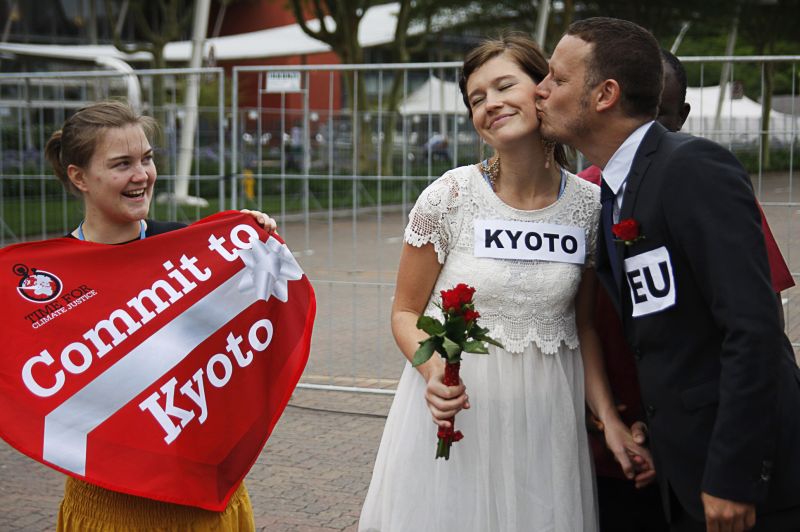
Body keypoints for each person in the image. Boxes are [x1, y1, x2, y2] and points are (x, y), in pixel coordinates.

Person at [359, 35, 653, 532]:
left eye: (503, 86)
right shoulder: (449, 196)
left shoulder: (587, 206)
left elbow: (583, 328)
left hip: (544, 417)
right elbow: (405, 314)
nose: (490, 103)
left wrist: (609, 419)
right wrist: (432, 373)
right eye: (477, 98)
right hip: (459, 409)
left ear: (542, 91)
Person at [536, 17, 800, 532]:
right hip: (684, 471)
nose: (539, 91)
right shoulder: (615, 191)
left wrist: (732, 475)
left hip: (748, 486)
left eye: (557, 79)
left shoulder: (691, 168)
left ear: (605, 94)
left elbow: (754, 331)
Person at [43, 99, 277, 531]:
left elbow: (249, 341)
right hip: (112, 501)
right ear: (79, 177)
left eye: (147, 159)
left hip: (201, 490)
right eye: (121, 164)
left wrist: (251, 247)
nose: (142, 175)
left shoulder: (192, 253)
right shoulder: (53, 285)